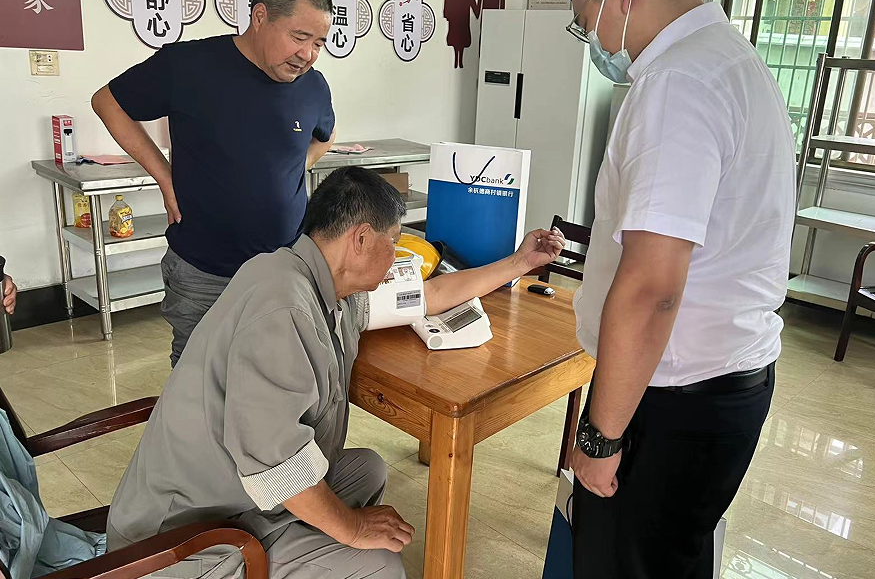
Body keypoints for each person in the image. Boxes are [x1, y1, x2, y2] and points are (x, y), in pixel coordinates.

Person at [106, 167, 566, 579]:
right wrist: (353, 529)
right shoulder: (283, 305)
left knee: (366, 469)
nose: (397, 254)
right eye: (394, 240)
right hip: (188, 538)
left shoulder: (321, 285)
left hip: (238, 495)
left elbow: (431, 295)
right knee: (379, 563)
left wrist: (519, 264)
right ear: (361, 239)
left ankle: (313, 552)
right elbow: (274, 465)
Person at [562, 0, 795, 577]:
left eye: (586, 21)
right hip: (725, 383)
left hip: (670, 394)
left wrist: (600, 437)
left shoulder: (676, 82)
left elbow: (651, 287)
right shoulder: (733, 60)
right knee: (672, 560)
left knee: (621, 564)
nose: (594, 42)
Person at [92, 0, 338, 367]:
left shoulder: (313, 85)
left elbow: (325, 135)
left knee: (274, 372)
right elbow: (108, 102)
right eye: (299, 37)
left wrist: (293, 168)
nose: (307, 54)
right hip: (204, 272)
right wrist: (165, 176)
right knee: (197, 378)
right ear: (260, 17)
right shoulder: (189, 66)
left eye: (319, 43)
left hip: (283, 269)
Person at [444, 0, 478, 69]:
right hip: (459, 13)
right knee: (458, 36)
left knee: (459, 37)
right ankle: (457, 59)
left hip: (459, 13)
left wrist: (476, 11)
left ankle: (459, 60)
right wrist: (447, 12)